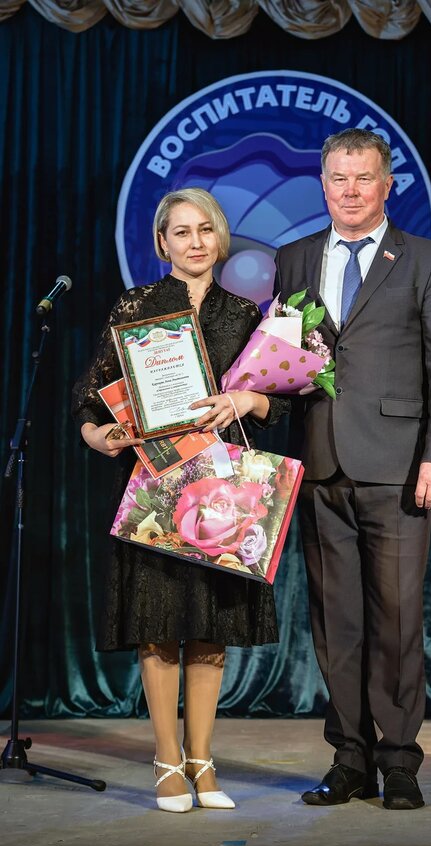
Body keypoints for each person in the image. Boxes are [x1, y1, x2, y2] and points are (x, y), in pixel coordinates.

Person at [273, 128, 431, 810]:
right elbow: (284, 355)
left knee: (396, 619)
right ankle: (350, 759)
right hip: (321, 463)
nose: (351, 190)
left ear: (388, 186)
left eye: (364, 178)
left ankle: (399, 761)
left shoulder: (425, 258)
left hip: (399, 466)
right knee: (336, 623)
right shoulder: (294, 258)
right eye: (339, 178)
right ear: (323, 185)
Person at [72, 188, 289, 813]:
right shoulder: (136, 306)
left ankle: (203, 762)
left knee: (211, 629)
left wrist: (249, 401)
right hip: (155, 483)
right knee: (158, 626)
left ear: (220, 239)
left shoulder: (245, 315)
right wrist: (100, 436)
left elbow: (281, 403)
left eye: (205, 230)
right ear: (161, 242)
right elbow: (90, 395)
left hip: (222, 490)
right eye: (181, 232)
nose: (195, 242)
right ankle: (168, 763)